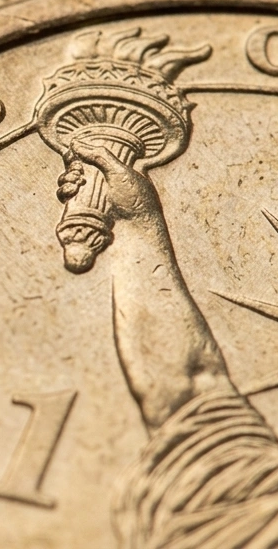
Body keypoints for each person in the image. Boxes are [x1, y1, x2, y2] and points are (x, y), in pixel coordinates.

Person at [59, 140, 278, 548]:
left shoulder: (241, 511)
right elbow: (191, 402)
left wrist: (138, 225)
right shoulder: (247, 502)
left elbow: (188, 397)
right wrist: (136, 222)